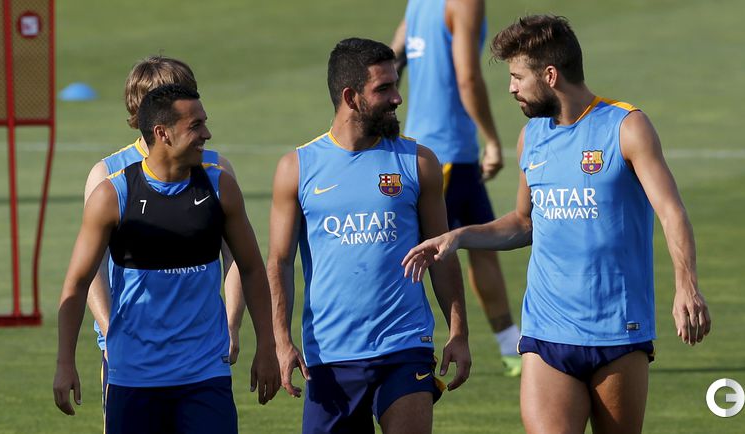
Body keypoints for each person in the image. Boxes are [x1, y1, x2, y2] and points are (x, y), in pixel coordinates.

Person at [402, 15, 711, 434]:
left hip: (618, 332)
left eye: (518, 77)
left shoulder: (626, 126)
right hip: (547, 332)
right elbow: (523, 223)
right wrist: (459, 236)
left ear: (550, 76)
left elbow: (671, 211)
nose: (511, 88)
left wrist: (686, 286)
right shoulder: (531, 137)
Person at [268, 38, 471, 433]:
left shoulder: (418, 162)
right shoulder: (297, 168)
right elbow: (279, 262)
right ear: (351, 97)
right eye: (384, 88)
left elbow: (441, 254)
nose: (397, 98)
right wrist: (281, 340)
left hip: (404, 347)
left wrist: (459, 331)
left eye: (396, 85)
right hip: (330, 356)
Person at [53, 84, 280, 434]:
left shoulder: (221, 188)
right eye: (195, 126)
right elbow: (78, 282)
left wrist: (267, 346)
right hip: (133, 377)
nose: (207, 134)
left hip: (205, 374)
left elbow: (250, 269)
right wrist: (65, 362)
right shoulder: (114, 195)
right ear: (163, 133)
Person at [82, 55, 246, 414]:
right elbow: (91, 271)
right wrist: (111, 333)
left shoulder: (216, 169)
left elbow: (236, 257)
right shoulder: (107, 175)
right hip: (130, 357)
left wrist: (232, 324)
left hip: (200, 352)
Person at [391, 0, 521, 375]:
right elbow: (467, 77)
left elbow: (394, 55)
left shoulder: (419, 3)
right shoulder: (465, 3)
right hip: (444, 151)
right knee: (428, 254)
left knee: (482, 245)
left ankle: (511, 347)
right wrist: (492, 139)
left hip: (445, 149)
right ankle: (408, 351)